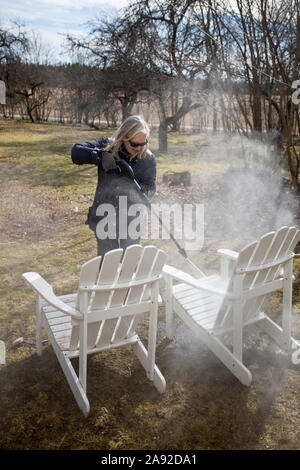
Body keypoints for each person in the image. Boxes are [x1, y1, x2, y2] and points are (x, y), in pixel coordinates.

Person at [71, 115, 156, 256]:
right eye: (135, 144)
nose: (139, 147)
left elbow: (150, 188)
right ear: (123, 137)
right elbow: (76, 152)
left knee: (129, 264)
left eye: (143, 143)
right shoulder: (108, 147)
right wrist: (99, 156)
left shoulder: (148, 158)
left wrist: (134, 192)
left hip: (132, 219)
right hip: (105, 217)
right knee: (108, 264)